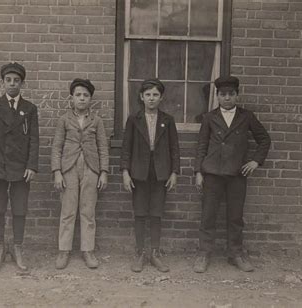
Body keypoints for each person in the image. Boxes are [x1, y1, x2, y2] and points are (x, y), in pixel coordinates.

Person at [193, 76, 271, 273]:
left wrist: (255, 161)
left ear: (237, 95)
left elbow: (264, 139)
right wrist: (199, 171)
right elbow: (201, 146)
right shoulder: (209, 117)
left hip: (237, 174)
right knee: (208, 216)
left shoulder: (247, 116)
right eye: (223, 94)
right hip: (212, 173)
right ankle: (204, 253)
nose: (227, 98)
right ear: (217, 96)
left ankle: (235, 254)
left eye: (231, 94)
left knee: (235, 217)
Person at [0, 62, 39, 272]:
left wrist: (32, 165)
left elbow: (34, 139)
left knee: (20, 208)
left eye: (16, 80)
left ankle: (17, 247)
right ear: (3, 82)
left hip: (21, 168)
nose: (12, 84)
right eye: (8, 80)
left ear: (22, 83)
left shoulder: (30, 109)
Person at [120, 78, 180, 273]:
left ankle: (155, 253)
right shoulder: (133, 119)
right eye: (148, 95)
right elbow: (126, 148)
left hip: (160, 173)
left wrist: (174, 172)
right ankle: (140, 253)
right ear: (141, 97)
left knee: (156, 213)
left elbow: (174, 148)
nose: (151, 98)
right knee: (140, 213)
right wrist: (125, 172)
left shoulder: (168, 120)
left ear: (161, 98)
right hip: (139, 173)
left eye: (155, 95)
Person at [51, 78, 109, 270]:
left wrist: (103, 172)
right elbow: (57, 147)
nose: (82, 98)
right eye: (78, 95)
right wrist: (57, 172)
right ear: (72, 98)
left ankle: (88, 250)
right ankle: (64, 250)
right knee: (68, 211)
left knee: (88, 211)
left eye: (85, 95)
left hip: (91, 168)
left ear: (90, 98)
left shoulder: (97, 121)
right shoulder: (64, 120)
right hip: (68, 168)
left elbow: (103, 148)